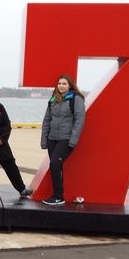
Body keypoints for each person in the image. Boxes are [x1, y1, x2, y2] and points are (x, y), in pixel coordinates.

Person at [40, 75, 86, 206]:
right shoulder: (53, 99)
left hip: (66, 139)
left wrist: (73, 140)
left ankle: (58, 196)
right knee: (56, 166)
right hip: (52, 139)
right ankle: (57, 195)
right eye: (59, 83)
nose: (61, 86)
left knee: (55, 164)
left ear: (70, 85)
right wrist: (44, 140)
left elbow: (80, 120)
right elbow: (47, 120)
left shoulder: (76, 99)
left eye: (64, 83)